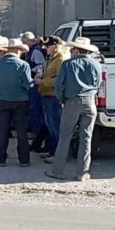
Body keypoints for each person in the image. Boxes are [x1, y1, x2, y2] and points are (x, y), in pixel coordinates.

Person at [46, 37, 102, 182]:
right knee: (86, 138)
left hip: (72, 102)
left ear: (76, 50)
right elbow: (98, 84)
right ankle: (83, 172)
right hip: (90, 102)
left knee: (65, 137)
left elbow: (59, 86)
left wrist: (62, 99)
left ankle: (57, 171)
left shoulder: (67, 64)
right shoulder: (96, 64)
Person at [0, 38, 32, 167]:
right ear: (18, 50)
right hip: (20, 100)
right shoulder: (23, 65)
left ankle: (0, 159)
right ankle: (24, 159)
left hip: (3, 100)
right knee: (21, 131)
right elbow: (28, 84)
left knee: (2, 130)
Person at [36, 36, 69, 164]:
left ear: (55, 46)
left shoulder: (60, 59)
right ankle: (51, 150)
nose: (45, 48)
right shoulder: (52, 58)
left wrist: (42, 81)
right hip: (47, 95)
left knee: (55, 126)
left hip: (54, 97)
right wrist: (41, 76)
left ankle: (57, 154)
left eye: (47, 46)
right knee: (50, 126)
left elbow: (60, 80)